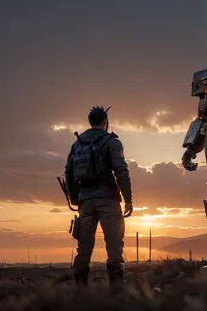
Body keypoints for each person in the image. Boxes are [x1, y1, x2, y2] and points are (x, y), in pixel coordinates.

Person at [64, 106, 133, 286]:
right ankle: (116, 294)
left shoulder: (77, 144)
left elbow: (69, 173)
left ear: (90, 121)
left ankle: (80, 294)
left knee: (84, 247)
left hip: (85, 201)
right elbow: (121, 172)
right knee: (114, 246)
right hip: (108, 199)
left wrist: (74, 199)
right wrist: (128, 200)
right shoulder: (111, 142)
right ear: (105, 122)